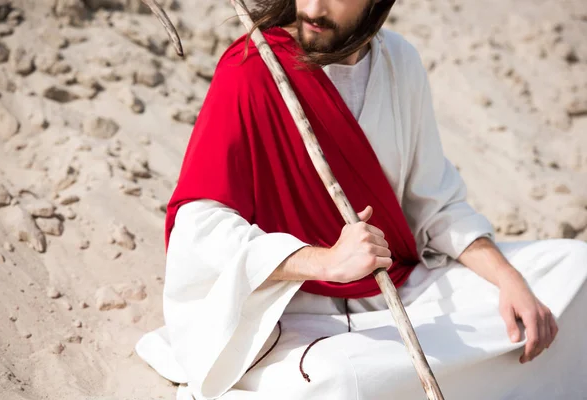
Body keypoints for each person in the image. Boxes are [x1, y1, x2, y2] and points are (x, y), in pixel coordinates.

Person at [136, 0, 587, 399]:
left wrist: (509, 280)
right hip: (296, 309)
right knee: (342, 381)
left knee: (574, 270)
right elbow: (199, 224)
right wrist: (321, 261)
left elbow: (436, 206)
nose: (311, 9)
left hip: (402, 288)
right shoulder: (250, 69)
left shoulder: (400, 63)